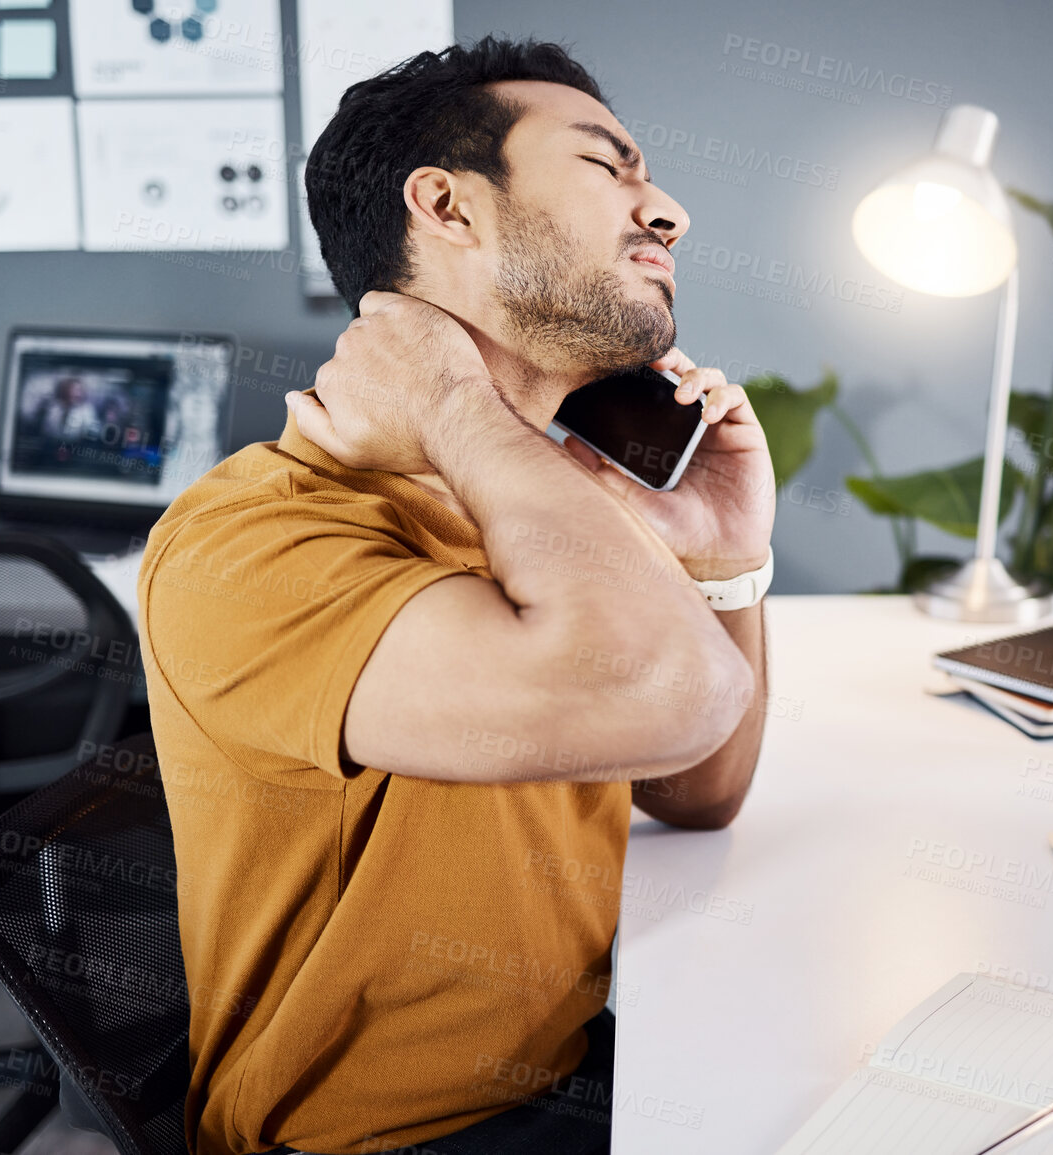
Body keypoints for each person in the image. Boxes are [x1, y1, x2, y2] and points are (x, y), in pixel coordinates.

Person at [137, 36, 775, 1155]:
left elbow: (696, 787)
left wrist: (725, 557)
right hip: (396, 1137)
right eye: (608, 167)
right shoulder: (251, 543)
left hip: (578, 1062)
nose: (666, 209)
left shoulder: (544, 506)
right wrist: (446, 396)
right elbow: (669, 694)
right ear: (446, 205)